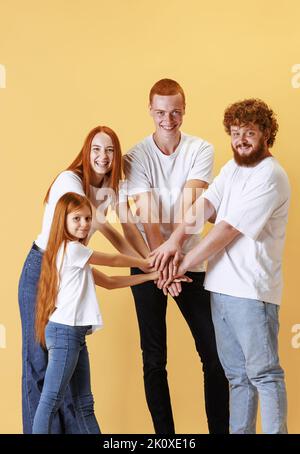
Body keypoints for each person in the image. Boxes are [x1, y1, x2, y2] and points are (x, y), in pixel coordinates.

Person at [150, 98, 290, 434]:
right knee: (237, 378)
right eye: (236, 132)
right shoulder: (232, 168)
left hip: (252, 294)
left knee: (264, 375)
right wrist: (173, 241)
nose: (241, 139)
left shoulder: (270, 175)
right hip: (220, 290)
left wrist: (179, 262)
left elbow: (226, 230)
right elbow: (207, 204)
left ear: (267, 133)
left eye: (250, 132)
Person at [18, 125, 146, 434]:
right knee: (39, 365)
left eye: (110, 150)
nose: (103, 156)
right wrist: (146, 266)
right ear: (86, 152)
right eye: (97, 149)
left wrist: (149, 264)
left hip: (71, 270)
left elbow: (120, 230)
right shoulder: (70, 182)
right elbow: (76, 237)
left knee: (73, 385)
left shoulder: (109, 191)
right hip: (44, 269)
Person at [121, 79, 229, 434]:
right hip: (149, 264)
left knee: (214, 356)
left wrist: (177, 261)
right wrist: (161, 265)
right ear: (151, 111)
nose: (169, 119)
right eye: (161, 112)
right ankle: (166, 439)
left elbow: (191, 208)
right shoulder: (135, 156)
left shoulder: (201, 149)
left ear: (185, 109)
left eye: (176, 111)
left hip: (190, 262)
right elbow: (148, 219)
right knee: (154, 359)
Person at [32, 192, 164, 434]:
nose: (84, 224)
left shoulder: (75, 256)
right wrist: (150, 263)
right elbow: (113, 260)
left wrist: (151, 277)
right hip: (65, 333)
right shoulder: (71, 250)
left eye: (87, 219)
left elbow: (110, 282)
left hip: (75, 334)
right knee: (51, 401)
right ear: (63, 220)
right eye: (77, 219)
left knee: (85, 403)